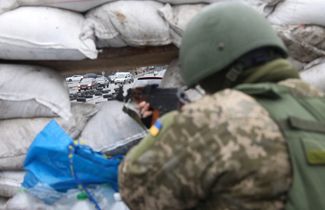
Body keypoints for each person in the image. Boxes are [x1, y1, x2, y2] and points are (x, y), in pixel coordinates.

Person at [118, 2, 325, 210]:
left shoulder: (215, 118)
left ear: (210, 70)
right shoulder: (317, 103)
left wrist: (172, 124)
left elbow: (136, 188)